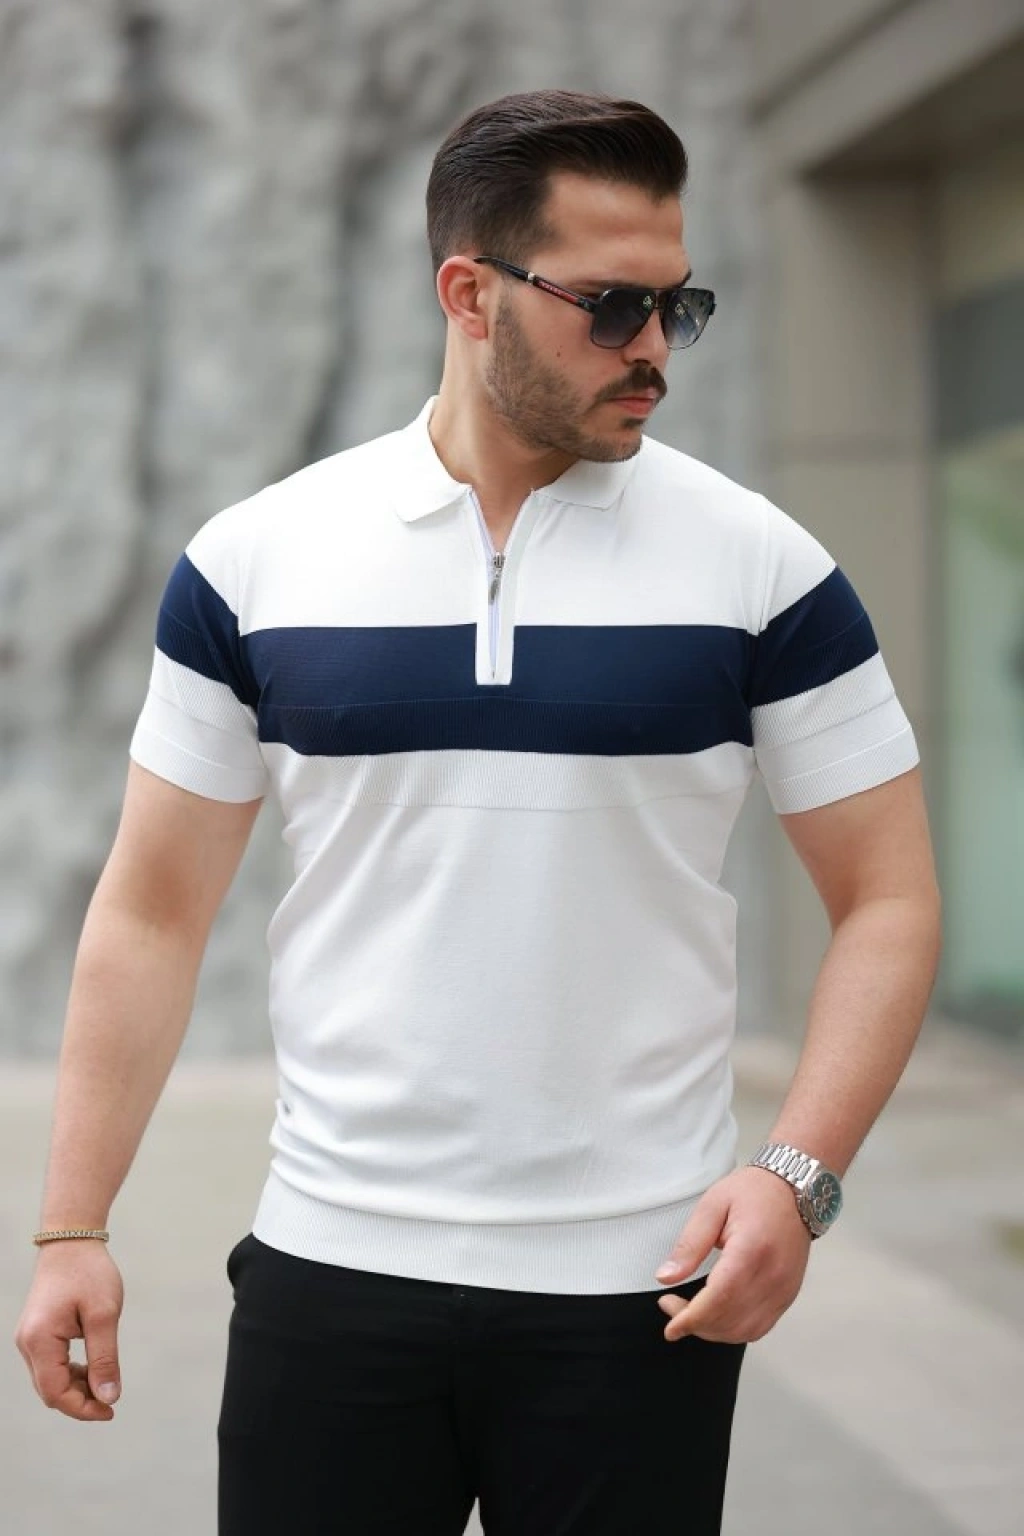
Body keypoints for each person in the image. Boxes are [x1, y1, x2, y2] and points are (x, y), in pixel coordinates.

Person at [15, 90, 942, 1535]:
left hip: (642, 1294)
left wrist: (796, 1177)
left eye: (679, 306)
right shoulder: (255, 561)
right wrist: (72, 1223)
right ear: (468, 294)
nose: (655, 347)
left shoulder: (766, 569)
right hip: (329, 1277)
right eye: (613, 306)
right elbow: (151, 910)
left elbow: (887, 897)